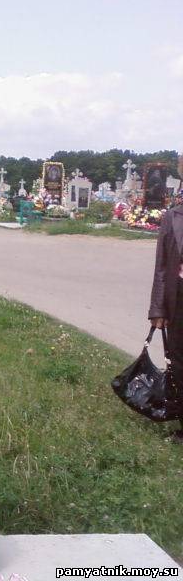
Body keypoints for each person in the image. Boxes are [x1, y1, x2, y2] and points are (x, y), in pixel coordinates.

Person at [148, 154, 183, 443]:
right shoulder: (173, 217)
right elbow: (161, 266)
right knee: (179, 362)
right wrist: (158, 308)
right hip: (178, 300)